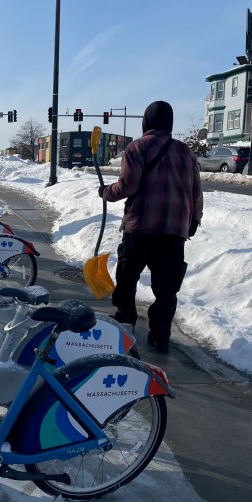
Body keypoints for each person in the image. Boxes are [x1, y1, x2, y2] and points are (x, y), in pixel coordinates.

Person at [99, 101, 203, 354]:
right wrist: (194, 220)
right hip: (174, 230)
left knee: (127, 278)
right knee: (167, 287)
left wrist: (105, 192)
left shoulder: (137, 147)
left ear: (146, 122)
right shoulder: (186, 152)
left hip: (142, 226)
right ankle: (160, 336)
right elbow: (196, 191)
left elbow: (127, 186)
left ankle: (125, 325)